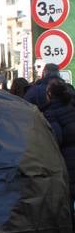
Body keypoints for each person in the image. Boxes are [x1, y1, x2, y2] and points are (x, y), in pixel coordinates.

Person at [44, 78, 75, 208]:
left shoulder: (50, 113)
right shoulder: (71, 106)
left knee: (68, 197)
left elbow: (55, 139)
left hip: (66, 160)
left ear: (50, 94)